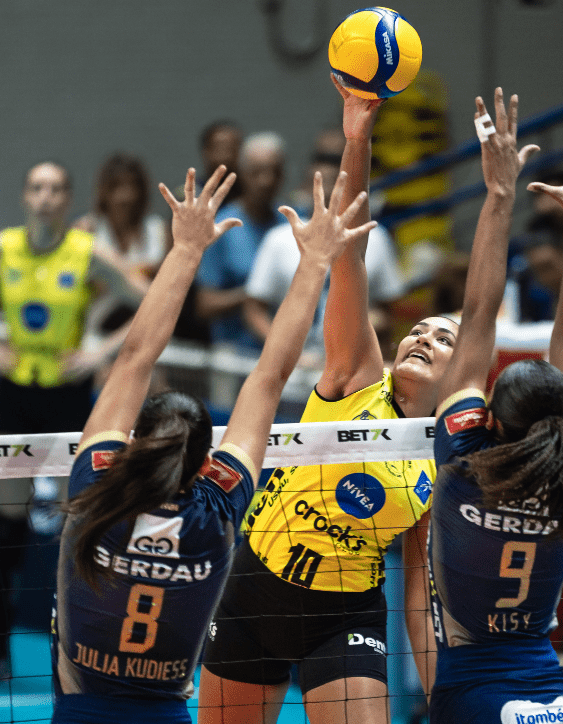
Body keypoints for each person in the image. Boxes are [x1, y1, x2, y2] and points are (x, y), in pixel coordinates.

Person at [52, 166, 374, 723]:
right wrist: (315, 263)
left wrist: (184, 250)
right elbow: (268, 378)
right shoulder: (215, 511)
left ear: (132, 444)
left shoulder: (96, 486)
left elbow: (132, 359)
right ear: (206, 463)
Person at [198, 78, 451, 724]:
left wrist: (447, 697)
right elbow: (350, 257)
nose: (424, 337)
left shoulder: (444, 457)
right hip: (255, 589)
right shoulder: (358, 377)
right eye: (420, 330)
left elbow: (419, 591)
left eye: (444, 339)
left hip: (346, 614)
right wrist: (357, 140)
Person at [426, 85, 563, 724]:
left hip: (471, 690)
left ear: (489, 417)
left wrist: (499, 193)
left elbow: (478, 315)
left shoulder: (465, 455)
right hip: (553, 689)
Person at [0, 161, 146, 682]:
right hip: (15, 398)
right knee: (7, 524)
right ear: (24, 197)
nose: (46, 196)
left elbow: (147, 301)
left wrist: (100, 348)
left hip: (69, 401)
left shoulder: (87, 253)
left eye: (56, 188)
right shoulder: (1, 249)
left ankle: (82, 652)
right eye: (37, 187)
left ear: (68, 198)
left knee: (79, 524)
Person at [242, 135, 405, 420]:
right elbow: (254, 307)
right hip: (293, 369)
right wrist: (284, 350)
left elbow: (389, 308)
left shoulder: (375, 237)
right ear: (306, 187)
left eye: (336, 183)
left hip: (354, 370)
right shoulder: (280, 238)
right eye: (320, 183)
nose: (329, 191)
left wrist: (376, 329)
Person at [195, 133, 286, 354]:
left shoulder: (290, 224)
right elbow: (205, 305)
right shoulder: (223, 226)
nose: (266, 181)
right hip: (234, 354)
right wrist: (256, 293)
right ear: (242, 174)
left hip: (285, 354)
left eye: (274, 171)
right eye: (257, 172)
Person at [75, 153, 168, 331]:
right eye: (116, 186)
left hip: (148, 325)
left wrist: (110, 274)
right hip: (94, 326)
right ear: (104, 190)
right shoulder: (87, 229)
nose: (125, 195)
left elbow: (165, 284)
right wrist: (141, 271)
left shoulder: (157, 229)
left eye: (132, 186)